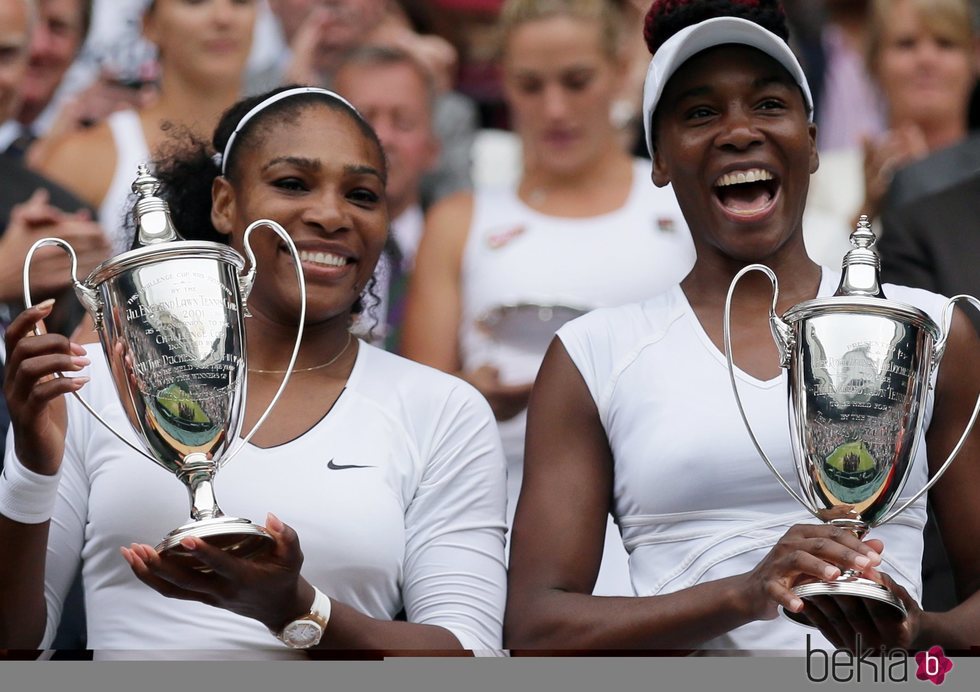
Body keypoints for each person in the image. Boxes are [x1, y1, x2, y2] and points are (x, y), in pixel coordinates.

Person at [503, 0, 980, 653]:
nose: (738, 132)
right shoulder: (592, 356)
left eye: (768, 105)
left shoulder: (932, 330)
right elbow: (536, 626)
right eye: (700, 113)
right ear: (660, 158)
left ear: (812, 143)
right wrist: (744, 594)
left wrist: (922, 631)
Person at [0, 86, 507, 657]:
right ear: (224, 203)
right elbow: (15, 651)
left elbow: (472, 656)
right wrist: (31, 473)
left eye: (362, 195)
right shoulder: (93, 384)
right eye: (292, 183)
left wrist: (296, 611)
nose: (331, 215)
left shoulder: (442, 410)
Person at [401, 0, 696, 597]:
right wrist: (472, 397)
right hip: (500, 514)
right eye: (530, 86)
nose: (554, 109)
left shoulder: (684, 204)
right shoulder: (462, 221)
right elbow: (414, 417)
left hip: (672, 516)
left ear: (620, 71)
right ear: (503, 82)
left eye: (576, 81)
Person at [31, 0, 257, 257]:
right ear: (149, 24)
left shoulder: (286, 149)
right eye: (195, 2)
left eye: (241, 1)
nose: (223, 18)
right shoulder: (83, 158)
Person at [803, 0, 978, 267]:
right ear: (873, 61)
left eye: (945, 43)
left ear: (975, 56)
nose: (926, 59)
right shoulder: (825, 177)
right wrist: (868, 210)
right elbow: (810, 294)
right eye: (906, 44)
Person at [332, 44, 440, 351]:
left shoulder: (460, 251)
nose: (383, 138)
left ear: (433, 147)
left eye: (403, 122)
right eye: (363, 119)